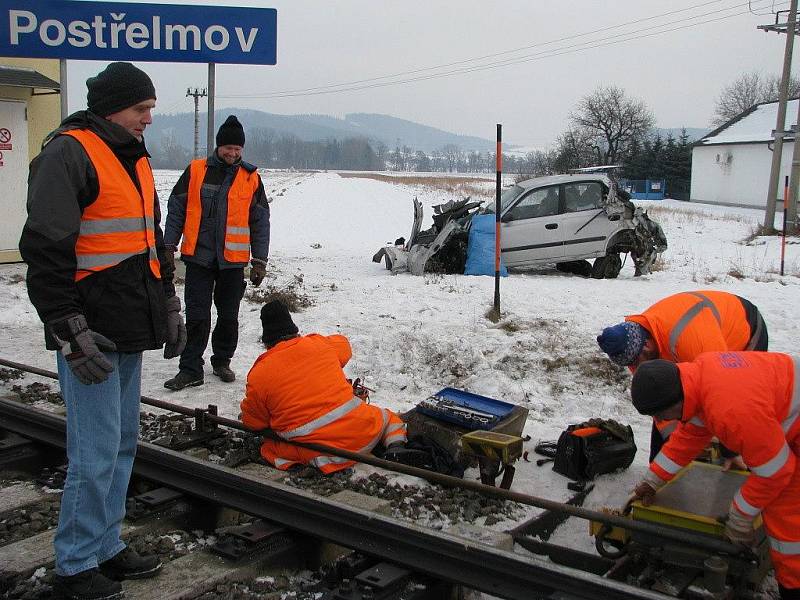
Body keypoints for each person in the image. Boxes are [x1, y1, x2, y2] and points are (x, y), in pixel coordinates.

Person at [19, 62, 185, 600]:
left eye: (151, 109)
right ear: (113, 106)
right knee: (93, 451)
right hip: (91, 331)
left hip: (128, 325)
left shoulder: (132, 157)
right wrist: (69, 329)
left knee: (121, 443)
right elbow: (45, 250)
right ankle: (74, 563)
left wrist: (169, 304)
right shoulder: (69, 153)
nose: (149, 119)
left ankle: (105, 545)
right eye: (142, 109)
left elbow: (150, 242)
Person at [628, 355, 800, 600]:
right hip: (787, 415)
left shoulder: (730, 409)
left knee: (786, 515)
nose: (668, 420)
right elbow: (690, 436)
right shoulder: (697, 381)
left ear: (670, 403)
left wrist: (740, 517)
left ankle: (794, 588)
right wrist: (652, 480)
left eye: (663, 414)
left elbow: (776, 471)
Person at [163, 115, 270, 390]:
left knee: (228, 317)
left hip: (232, 263)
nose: (233, 153)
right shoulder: (196, 170)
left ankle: (222, 360)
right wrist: (168, 245)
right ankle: (190, 369)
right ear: (218, 146)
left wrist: (259, 260)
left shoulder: (251, 178)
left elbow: (260, 222)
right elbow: (176, 208)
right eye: (228, 148)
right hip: (199, 257)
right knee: (197, 314)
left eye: (238, 149)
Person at [240, 300, 408, 474]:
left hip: (319, 452)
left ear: (266, 342)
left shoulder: (259, 374)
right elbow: (344, 345)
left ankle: (297, 468)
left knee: (269, 448)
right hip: (361, 435)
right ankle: (396, 446)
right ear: (295, 332)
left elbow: (253, 423)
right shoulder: (319, 344)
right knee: (388, 418)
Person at [597, 290, 768, 460]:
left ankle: (745, 466)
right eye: (631, 365)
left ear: (647, 346)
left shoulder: (692, 342)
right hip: (699, 341)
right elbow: (658, 401)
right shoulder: (636, 344)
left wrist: (723, 447)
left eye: (635, 363)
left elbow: (723, 394)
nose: (635, 368)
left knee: (727, 414)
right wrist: (672, 442)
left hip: (746, 330)